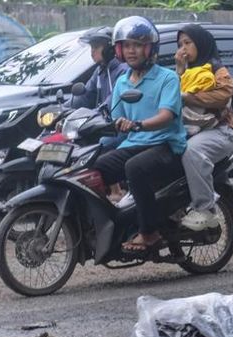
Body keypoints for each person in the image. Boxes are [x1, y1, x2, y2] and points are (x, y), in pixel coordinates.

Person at [92, 16, 185, 253]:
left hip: (166, 144)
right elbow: (115, 118)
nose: (132, 51)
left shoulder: (167, 78)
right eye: (127, 45)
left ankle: (149, 233)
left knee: (135, 167)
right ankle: (114, 223)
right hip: (135, 143)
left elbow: (167, 116)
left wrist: (138, 125)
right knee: (98, 166)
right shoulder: (122, 83)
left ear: (149, 49)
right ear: (120, 50)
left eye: (137, 45)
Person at [175, 23, 233, 232]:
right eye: (180, 44)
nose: (183, 48)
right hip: (192, 130)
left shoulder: (216, 69)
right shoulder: (187, 71)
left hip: (221, 132)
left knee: (192, 152)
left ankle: (206, 209)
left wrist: (188, 96)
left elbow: (224, 95)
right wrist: (179, 71)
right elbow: (170, 96)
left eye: (187, 43)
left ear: (200, 44)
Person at [71, 27, 128, 110]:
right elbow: (85, 97)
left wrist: (91, 114)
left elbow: (111, 103)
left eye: (96, 47)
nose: (92, 52)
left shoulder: (123, 70)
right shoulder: (100, 71)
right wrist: (61, 108)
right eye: (91, 47)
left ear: (110, 49)